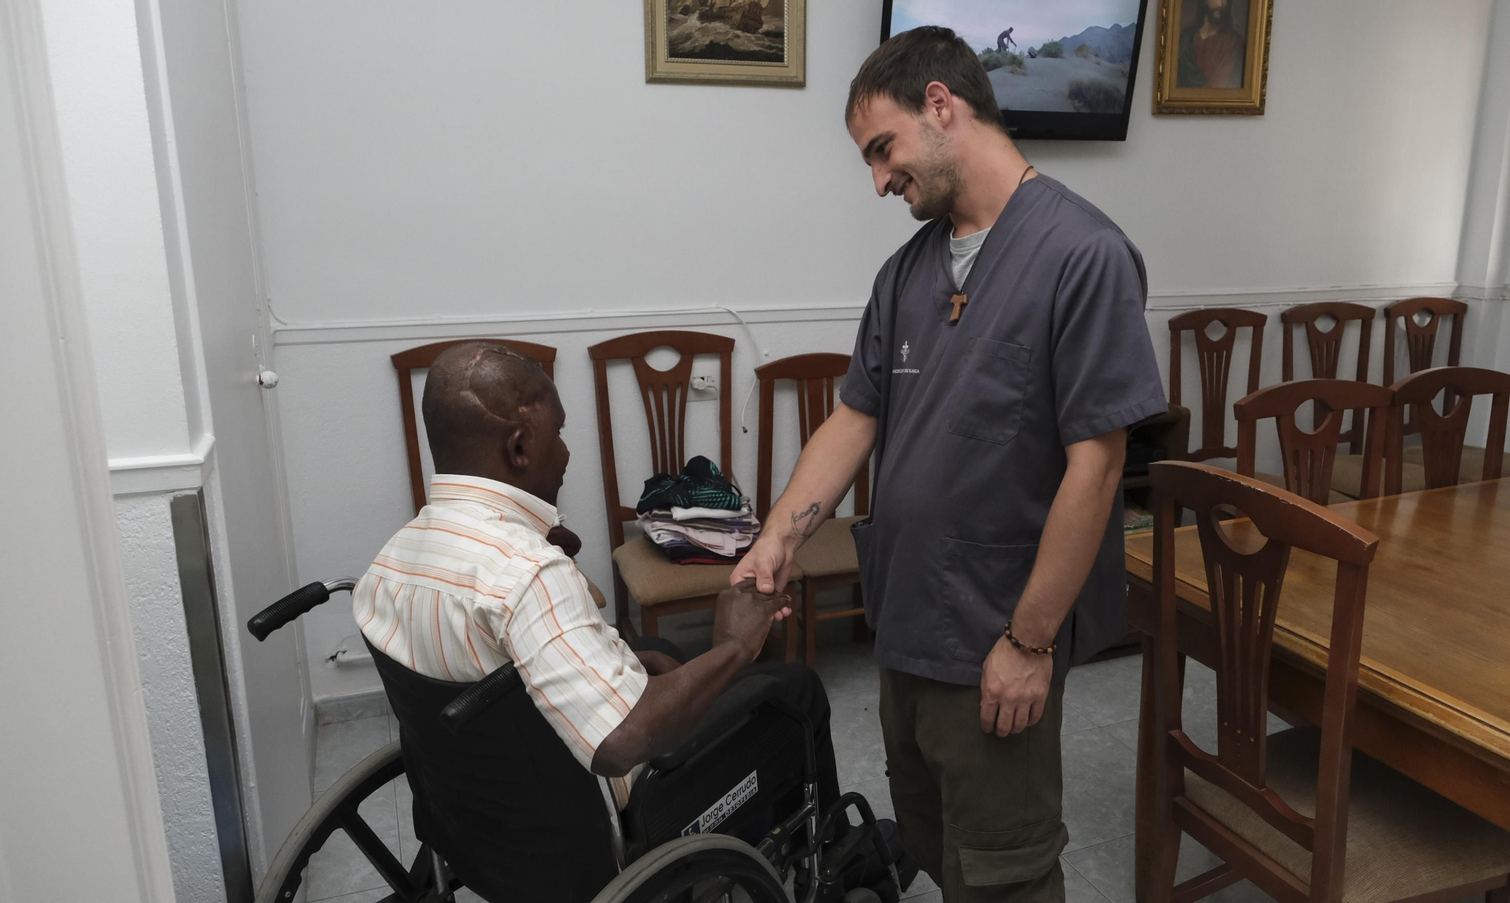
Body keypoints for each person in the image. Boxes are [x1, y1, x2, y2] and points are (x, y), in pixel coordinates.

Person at [733, 26, 1165, 902]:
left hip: (996, 633)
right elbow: (855, 419)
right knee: (931, 839)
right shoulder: (907, 273)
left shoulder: (1083, 255)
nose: (879, 178)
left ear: (941, 105)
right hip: (908, 623)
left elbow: (1097, 467)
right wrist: (778, 534)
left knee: (1006, 871)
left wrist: (1029, 641)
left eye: (882, 149)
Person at [352, 341, 841, 895]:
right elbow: (620, 740)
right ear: (517, 447)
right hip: (592, 834)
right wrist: (732, 644)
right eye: (557, 434)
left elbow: (495, 671)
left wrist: (614, 655)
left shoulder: (390, 563)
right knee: (793, 690)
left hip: (478, 827)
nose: (565, 453)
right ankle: (831, 856)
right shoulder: (526, 572)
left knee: (659, 650)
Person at [1178, 0, 1245, 88]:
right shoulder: (1186, 38)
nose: (1221, 4)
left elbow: (1217, 86)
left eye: (1225, 0)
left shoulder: (1233, 42)